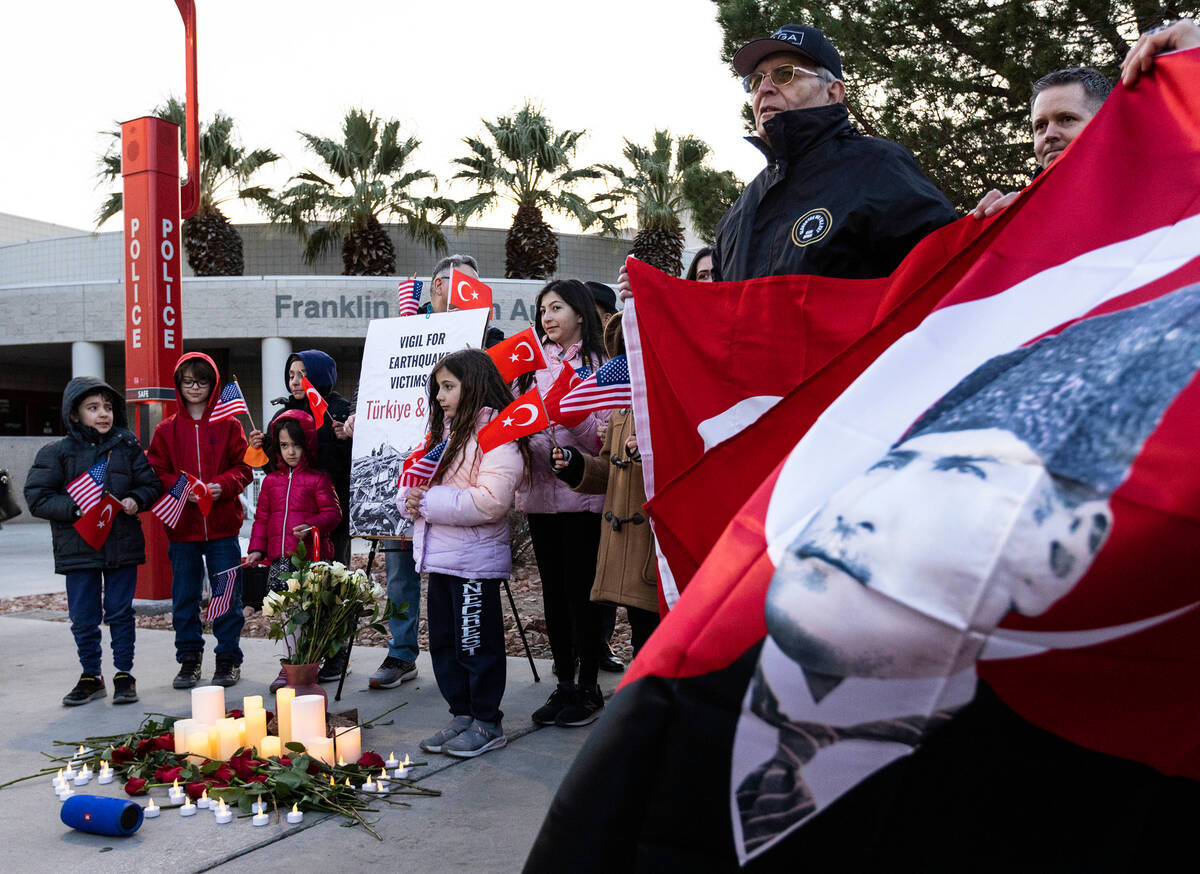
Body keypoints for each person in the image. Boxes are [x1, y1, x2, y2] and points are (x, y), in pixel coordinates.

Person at [733, 282, 1200, 860]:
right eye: (887, 461)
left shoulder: (1084, 806)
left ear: (1062, 549)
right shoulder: (679, 686)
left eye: (958, 472)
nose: (861, 505)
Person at [716, 24, 955, 284]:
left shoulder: (876, 166)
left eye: (784, 74)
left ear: (833, 93)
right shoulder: (737, 216)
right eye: (756, 80)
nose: (764, 89)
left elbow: (952, 266)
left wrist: (994, 225)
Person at [359, 253, 482, 690]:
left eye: (470, 285)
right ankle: (401, 653)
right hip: (407, 464)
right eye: (453, 283)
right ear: (433, 288)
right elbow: (377, 386)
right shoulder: (399, 333)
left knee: (459, 567)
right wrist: (362, 419)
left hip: (461, 467)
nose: (461, 292)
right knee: (398, 568)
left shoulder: (484, 335)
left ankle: (467, 655)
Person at [402, 349, 527, 758]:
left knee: (476, 644)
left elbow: (492, 501)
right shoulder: (443, 435)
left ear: (472, 385)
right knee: (444, 642)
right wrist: (410, 498)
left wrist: (430, 501)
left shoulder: (497, 436)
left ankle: (487, 722)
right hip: (440, 559)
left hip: (474, 564)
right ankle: (462, 715)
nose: (439, 396)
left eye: (449, 387)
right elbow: (413, 479)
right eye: (438, 387)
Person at [25, 377, 162, 706]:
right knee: (84, 616)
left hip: (121, 544)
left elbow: (150, 485)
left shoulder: (127, 447)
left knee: (120, 612)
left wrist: (135, 499)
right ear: (74, 415)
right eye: (93, 408)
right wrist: (74, 508)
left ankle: (123, 675)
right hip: (78, 548)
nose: (103, 414)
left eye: (108, 407)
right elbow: (37, 496)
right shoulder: (56, 453)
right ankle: (91, 676)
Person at [518, 279, 611, 726]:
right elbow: (517, 416)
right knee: (553, 594)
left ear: (579, 313)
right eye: (542, 310)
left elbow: (607, 430)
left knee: (583, 594)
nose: (547, 317)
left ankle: (589, 686)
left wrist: (574, 430)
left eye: (556, 308)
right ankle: (564, 682)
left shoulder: (602, 363)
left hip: (583, 497)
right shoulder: (528, 364)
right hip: (539, 496)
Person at [551, 313, 661, 658]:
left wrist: (652, 453)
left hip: (655, 547)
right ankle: (641, 701)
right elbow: (611, 469)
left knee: (662, 634)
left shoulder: (671, 402)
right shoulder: (622, 411)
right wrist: (576, 465)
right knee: (642, 632)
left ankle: (656, 705)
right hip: (626, 547)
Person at [147, 353, 253, 689]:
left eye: (202, 381)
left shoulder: (229, 425)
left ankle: (227, 660)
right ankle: (189, 660)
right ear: (178, 385)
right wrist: (181, 489)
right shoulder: (166, 430)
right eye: (188, 381)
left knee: (227, 594)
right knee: (185, 596)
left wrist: (224, 485)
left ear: (213, 384)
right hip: (183, 529)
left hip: (222, 527)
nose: (195, 387)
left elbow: (245, 467)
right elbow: (156, 471)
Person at [246, 410, 342, 692]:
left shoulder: (318, 479)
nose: (291, 452)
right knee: (285, 613)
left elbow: (333, 514)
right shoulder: (271, 482)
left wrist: (312, 526)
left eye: (296, 445)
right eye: (285, 445)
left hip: (309, 559)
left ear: (307, 445)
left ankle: (306, 664)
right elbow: (262, 519)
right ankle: (290, 664)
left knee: (309, 613)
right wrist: (256, 549)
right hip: (280, 560)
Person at [973, 68, 1111, 218]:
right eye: (1041, 126)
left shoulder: (1138, 203)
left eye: (1067, 119)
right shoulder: (1018, 219)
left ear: (1105, 124)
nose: (1049, 135)